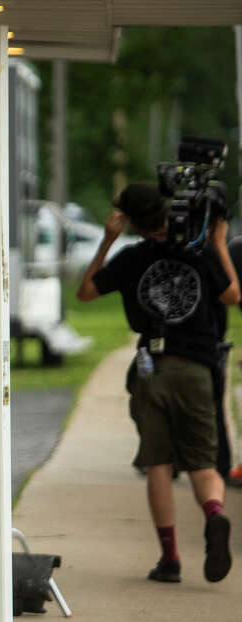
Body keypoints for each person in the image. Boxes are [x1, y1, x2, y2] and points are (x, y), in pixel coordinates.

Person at [77, 183, 238, 584]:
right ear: (166, 211)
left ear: (129, 219)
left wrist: (106, 241)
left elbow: (84, 293)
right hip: (197, 368)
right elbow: (232, 294)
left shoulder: (132, 258)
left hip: (152, 367)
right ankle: (215, 514)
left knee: (159, 465)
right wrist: (218, 241)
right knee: (203, 463)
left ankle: (169, 559)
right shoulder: (199, 251)